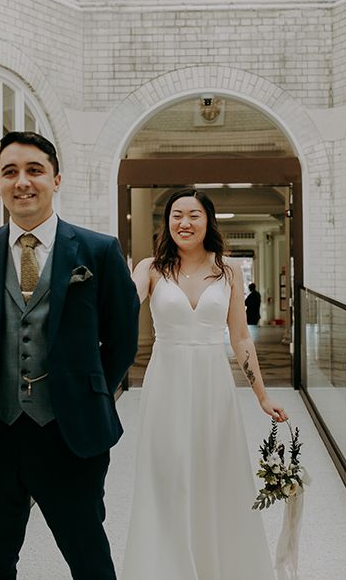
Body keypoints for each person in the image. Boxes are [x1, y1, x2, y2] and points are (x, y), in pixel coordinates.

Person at [0, 131, 140, 580]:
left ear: (56, 179)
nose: (22, 182)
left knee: (88, 557)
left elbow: (122, 338)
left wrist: (85, 389)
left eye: (34, 170)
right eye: (9, 171)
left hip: (69, 435)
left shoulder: (98, 250)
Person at [122, 188, 287, 580]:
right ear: (167, 223)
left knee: (216, 471)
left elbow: (241, 338)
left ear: (208, 221)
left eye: (194, 215)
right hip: (166, 381)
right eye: (176, 215)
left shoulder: (228, 270)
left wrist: (261, 395)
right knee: (168, 471)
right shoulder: (150, 268)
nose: (184, 222)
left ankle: (217, 565)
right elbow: (119, 307)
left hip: (214, 382)